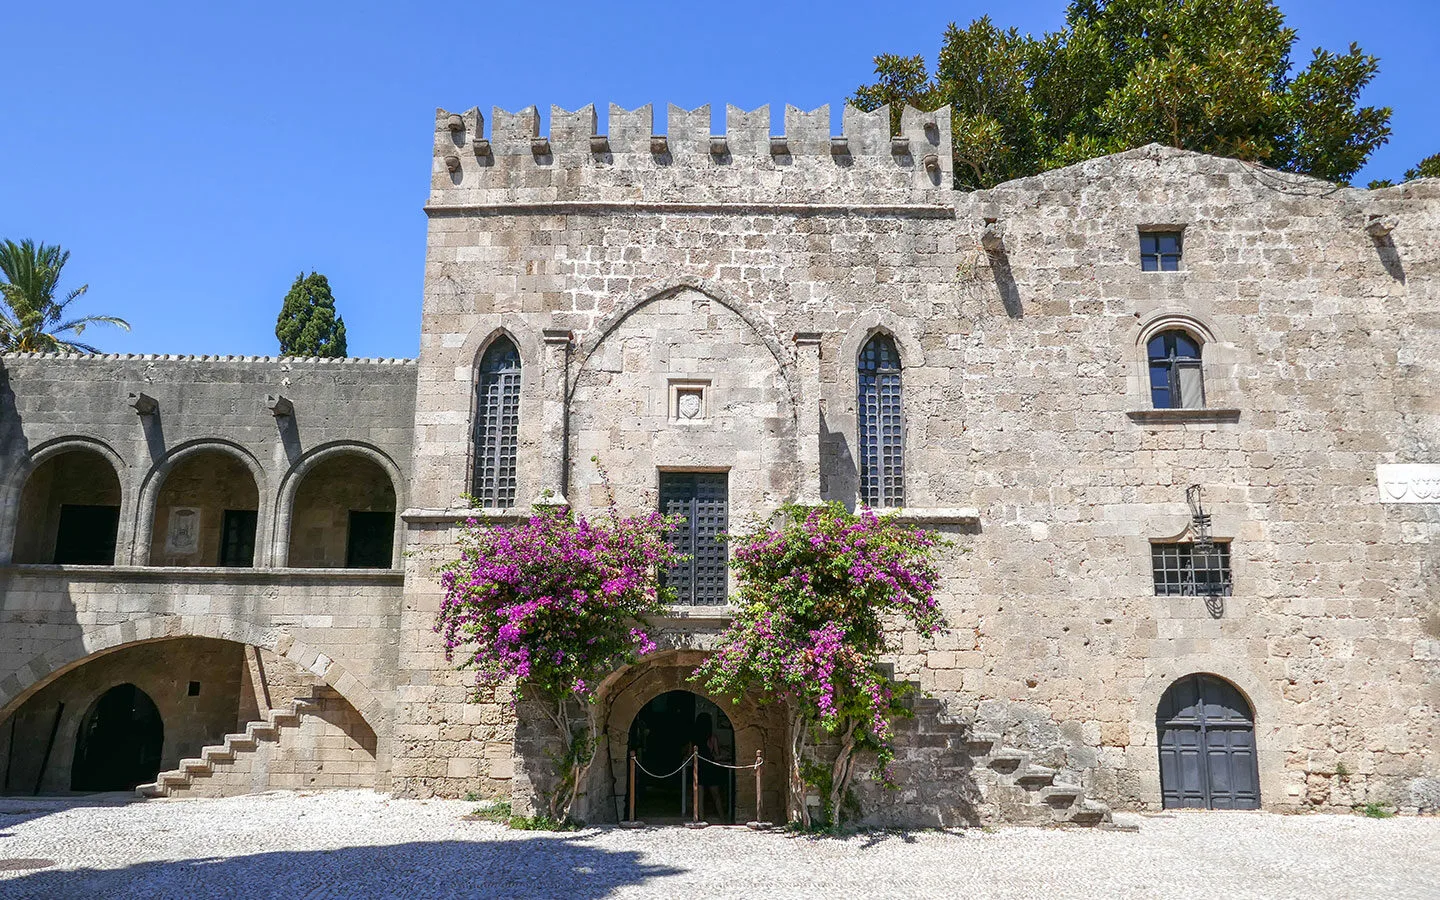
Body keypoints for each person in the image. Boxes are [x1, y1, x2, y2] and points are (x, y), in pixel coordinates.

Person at [692, 713, 729, 823]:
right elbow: (716, 755)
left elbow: (690, 754)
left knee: (699, 795)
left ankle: (700, 818)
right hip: (711, 768)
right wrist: (725, 756)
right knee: (716, 795)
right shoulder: (712, 737)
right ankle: (722, 818)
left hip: (699, 767)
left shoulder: (694, 738)